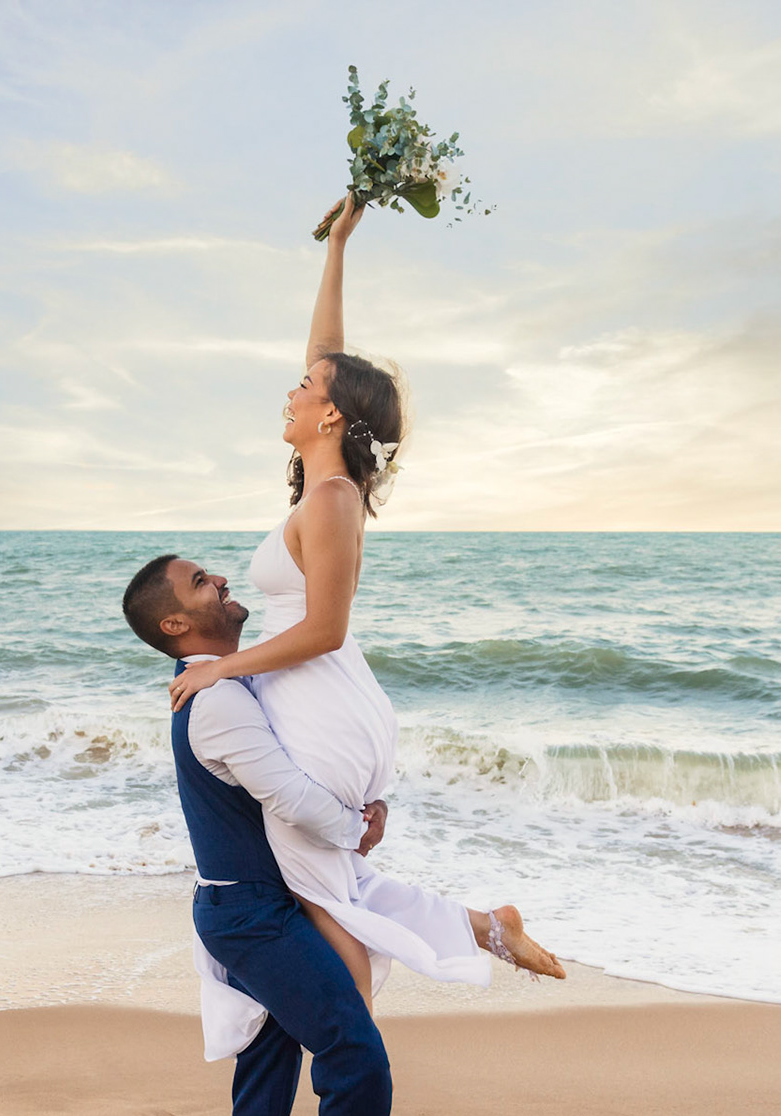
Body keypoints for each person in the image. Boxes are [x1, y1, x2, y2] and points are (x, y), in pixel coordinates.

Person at [163, 195, 564, 1027]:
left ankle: (355, 1055)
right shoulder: (324, 488)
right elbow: (327, 354)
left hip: (321, 699)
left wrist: (220, 672)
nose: (293, 387)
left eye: (307, 386)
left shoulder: (333, 499)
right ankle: (485, 929)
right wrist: (338, 245)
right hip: (324, 700)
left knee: (320, 892)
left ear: (333, 414)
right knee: (334, 881)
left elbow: (325, 629)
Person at [121, 552, 421, 1116]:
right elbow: (288, 793)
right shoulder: (216, 700)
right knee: (352, 1049)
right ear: (175, 623)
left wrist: (366, 799)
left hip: (254, 903)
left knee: (266, 1069)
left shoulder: (228, 680)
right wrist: (355, 830)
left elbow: (310, 749)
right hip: (252, 911)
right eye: (201, 582)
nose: (221, 580)